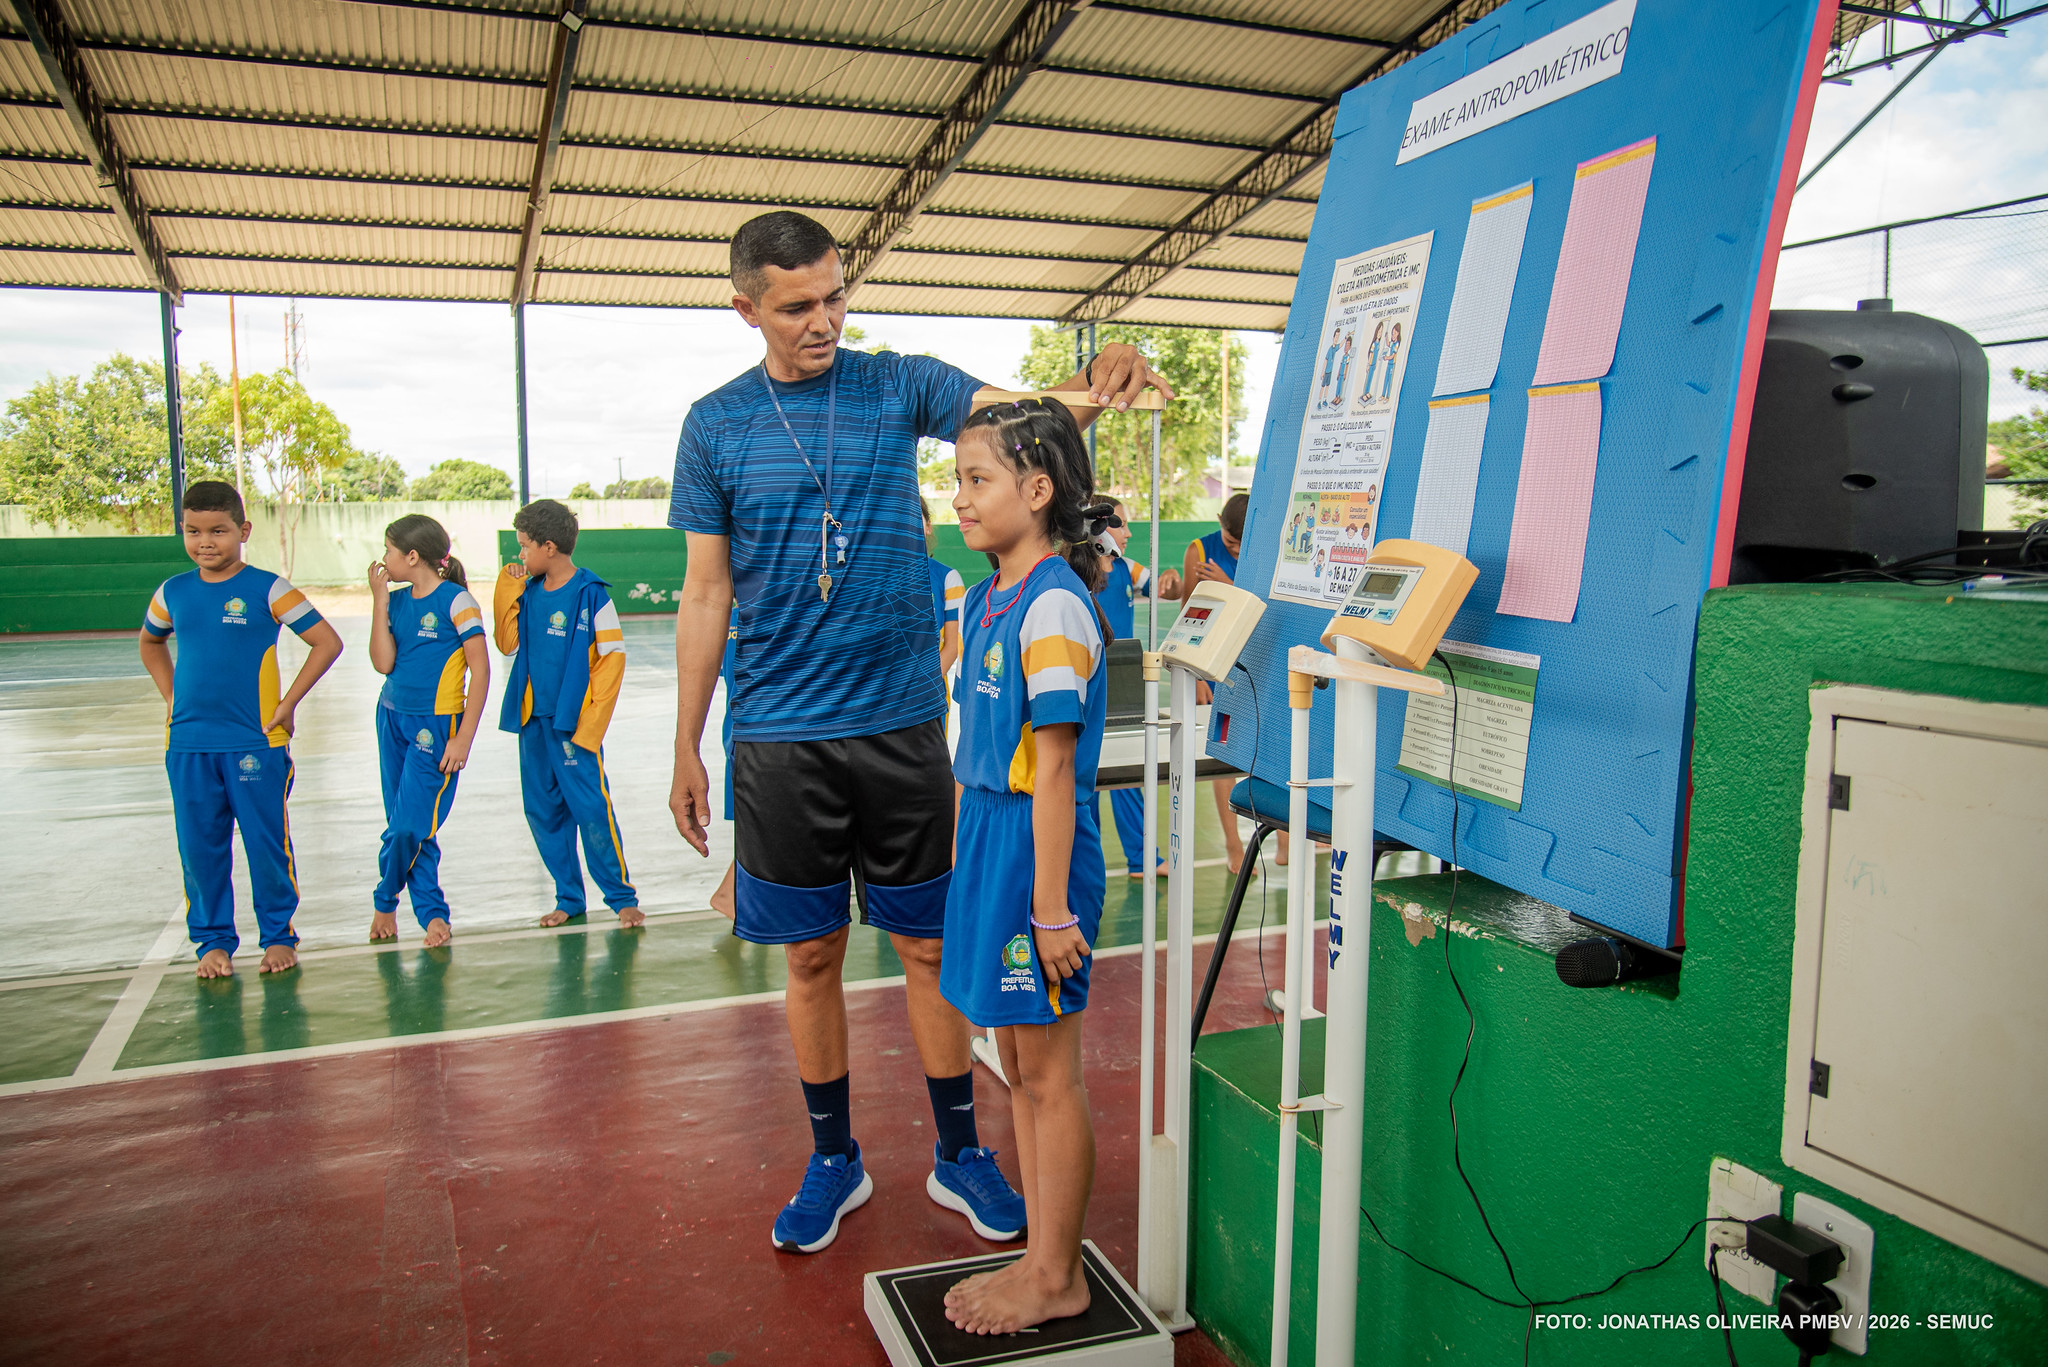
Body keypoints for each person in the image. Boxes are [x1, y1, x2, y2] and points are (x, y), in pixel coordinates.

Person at [664, 210, 1170, 1255]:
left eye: (835, 296)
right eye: (798, 305)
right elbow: (705, 591)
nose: (824, 321)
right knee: (808, 958)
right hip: (776, 735)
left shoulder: (899, 382)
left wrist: (1104, 367)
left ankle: (957, 1151)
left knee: (930, 946)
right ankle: (832, 1157)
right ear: (745, 308)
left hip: (898, 725)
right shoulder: (712, 425)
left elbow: (1035, 415)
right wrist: (686, 742)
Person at [940, 398, 1108, 1335]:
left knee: (1048, 1073)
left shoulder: (1051, 600)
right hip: (992, 844)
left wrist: (1048, 912)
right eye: (958, 479)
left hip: (1036, 856)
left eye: (977, 480)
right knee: (1014, 1061)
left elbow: (1052, 768)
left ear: (1037, 490)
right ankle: (1043, 1254)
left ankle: (1058, 1275)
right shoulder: (988, 592)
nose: (958, 498)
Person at [138, 480, 344, 978]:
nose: (205, 541)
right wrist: (173, 698)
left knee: (265, 841)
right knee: (200, 846)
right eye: (193, 531)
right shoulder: (173, 592)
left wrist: (287, 702)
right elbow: (150, 643)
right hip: (188, 743)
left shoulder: (267, 588)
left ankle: (278, 937)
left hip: (256, 742)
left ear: (243, 530)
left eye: (218, 531)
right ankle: (212, 942)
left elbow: (327, 642)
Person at [493, 499, 643, 930]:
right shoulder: (527, 591)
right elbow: (506, 643)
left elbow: (612, 661)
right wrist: (508, 583)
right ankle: (568, 897)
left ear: (550, 547)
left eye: (524, 548)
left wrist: (591, 725)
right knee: (542, 812)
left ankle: (621, 897)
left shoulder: (591, 594)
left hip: (573, 726)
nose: (520, 556)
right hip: (533, 723)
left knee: (591, 808)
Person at [366, 514, 489, 948]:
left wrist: (464, 738)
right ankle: (432, 913)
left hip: (436, 728)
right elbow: (383, 664)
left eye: (389, 551)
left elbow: (481, 670)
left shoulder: (457, 602)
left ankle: (385, 899)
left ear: (412, 556)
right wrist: (380, 601)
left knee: (408, 826)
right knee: (411, 823)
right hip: (391, 717)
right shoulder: (396, 603)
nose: (383, 560)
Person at [1091, 497, 1179, 880]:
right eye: (1120, 524)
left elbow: (1167, 591)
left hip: (1123, 683)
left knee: (1128, 771)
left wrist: (1172, 582)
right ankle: (1083, 858)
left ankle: (1141, 858)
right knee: (1086, 777)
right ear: (1096, 528)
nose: (1127, 533)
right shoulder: (1074, 570)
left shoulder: (1127, 569)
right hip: (1089, 681)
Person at [1180, 492, 1253, 872]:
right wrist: (1195, 676)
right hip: (1219, 670)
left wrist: (1227, 583)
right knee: (1223, 755)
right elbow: (1189, 620)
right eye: (1230, 542)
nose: (1238, 549)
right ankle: (1232, 842)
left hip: (1258, 665)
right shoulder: (1200, 550)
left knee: (1268, 755)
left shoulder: (1267, 550)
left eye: (1245, 542)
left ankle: (1285, 837)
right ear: (1219, 524)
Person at [923, 499, 964, 679]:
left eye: (916, 518)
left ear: (928, 526)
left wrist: (923, 688)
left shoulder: (948, 578)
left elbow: (953, 645)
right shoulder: (879, 576)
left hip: (929, 697)